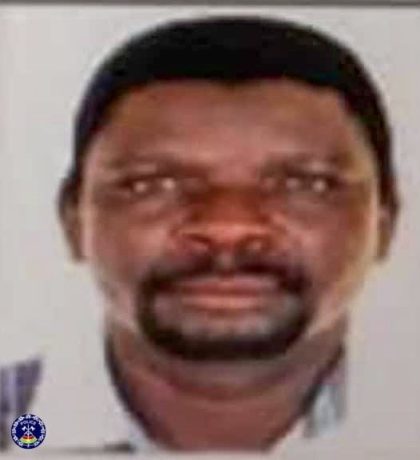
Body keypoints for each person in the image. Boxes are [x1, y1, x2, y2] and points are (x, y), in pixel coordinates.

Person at [0, 15, 399, 452]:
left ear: (385, 222)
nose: (228, 227)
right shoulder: (17, 428)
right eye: (152, 184)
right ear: (73, 220)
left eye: (305, 183)